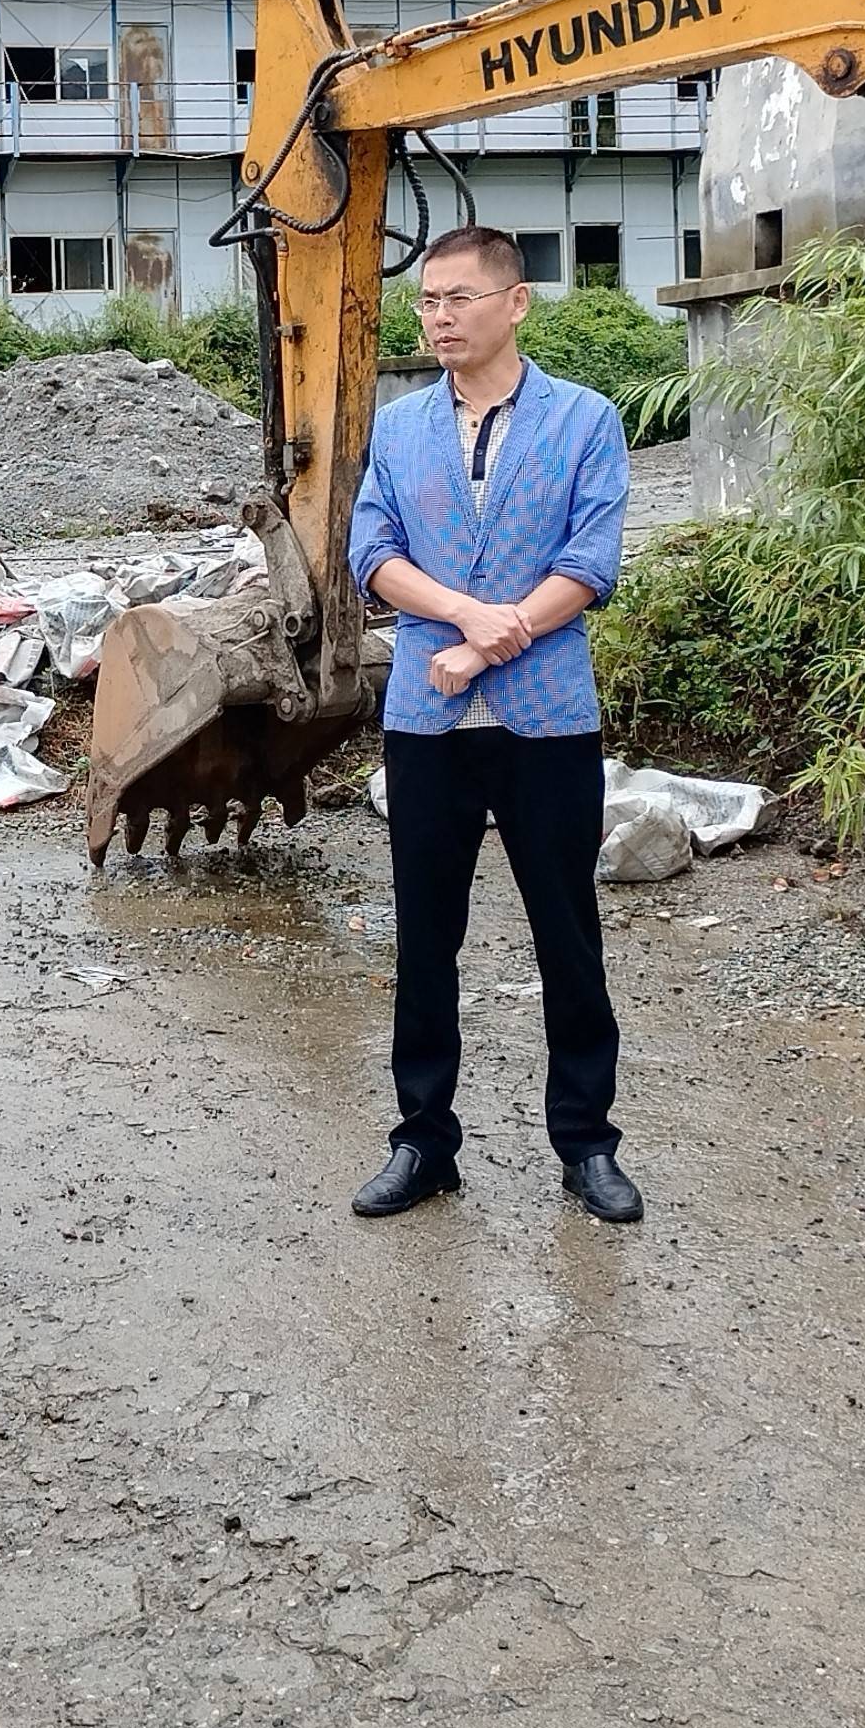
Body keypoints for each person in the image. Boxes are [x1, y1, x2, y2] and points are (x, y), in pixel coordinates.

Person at [347, 224, 637, 1223]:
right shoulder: (397, 427)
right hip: (429, 715)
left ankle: (586, 1144)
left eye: (459, 297)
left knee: (568, 935)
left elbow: (591, 560)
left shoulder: (585, 420)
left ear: (515, 303)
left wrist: (494, 637)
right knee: (427, 938)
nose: (438, 317)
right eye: (427, 300)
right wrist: (470, 619)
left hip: (546, 718)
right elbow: (369, 548)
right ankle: (423, 1143)